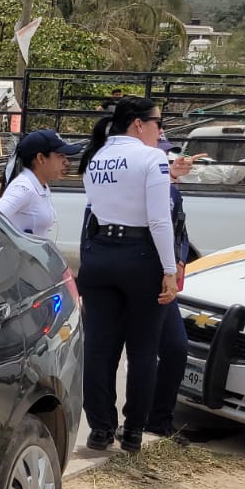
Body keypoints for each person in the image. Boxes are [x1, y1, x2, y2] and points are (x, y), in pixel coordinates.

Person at [78, 96, 177, 453]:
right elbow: (158, 219)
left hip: (101, 253)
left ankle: (100, 429)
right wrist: (169, 270)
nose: (160, 131)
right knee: (143, 349)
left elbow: (93, 210)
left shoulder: (96, 157)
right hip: (141, 255)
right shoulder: (152, 158)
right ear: (138, 124)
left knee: (100, 348)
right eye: (158, 123)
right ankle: (133, 429)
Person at [148, 131, 195, 438]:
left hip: (166, 283)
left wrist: (178, 260)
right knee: (142, 353)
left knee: (176, 349)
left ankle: (160, 420)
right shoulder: (147, 190)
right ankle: (132, 422)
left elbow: (181, 233)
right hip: (142, 278)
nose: (174, 163)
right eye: (166, 159)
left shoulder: (173, 194)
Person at [0, 130, 83, 239]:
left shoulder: (41, 186)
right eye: (60, 155)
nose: (66, 162)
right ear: (40, 158)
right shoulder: (23, 188)